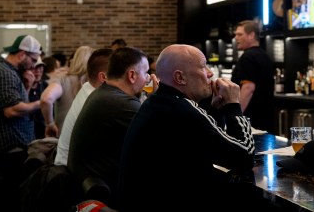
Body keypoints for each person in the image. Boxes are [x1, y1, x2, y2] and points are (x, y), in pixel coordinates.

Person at [117, 44, 255, 211]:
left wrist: (217, 111)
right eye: (203, 66)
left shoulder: (159, 102)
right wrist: (233, 105)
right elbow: (245, 156)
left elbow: (209, 147)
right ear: (180, 77)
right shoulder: (181, 109)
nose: (210, 73)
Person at [68, 46, 154, 208]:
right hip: (107, 193)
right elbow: (165, 134)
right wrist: (156, 97)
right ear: (132, 75)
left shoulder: (104, 93)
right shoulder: (121, 103)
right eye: (146, 73)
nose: (148, 79)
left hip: (89, 187)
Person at [0, 34, 42, 211]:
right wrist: (41, 103)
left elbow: (17, 103)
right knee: (10, 201)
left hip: (10, 148)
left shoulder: (9, 72)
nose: (34, 65)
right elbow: (11, 110)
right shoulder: (5, 74)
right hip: (9, 150)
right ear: (22, 54)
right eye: (33, 60)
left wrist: (27, 86)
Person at [54, 47, 114, 166]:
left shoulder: (87, 86)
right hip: (72, 171)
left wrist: (49, 123)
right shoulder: (97, 98)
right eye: (119, 73)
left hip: (63, 154)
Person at [231, 20, 275, 132]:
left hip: (252, 121)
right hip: (266, 118)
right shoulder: (265, 55)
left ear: (251, 35)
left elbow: (248, 88)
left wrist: (236, 116)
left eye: (240, 34)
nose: (236, 38)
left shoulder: (248, 57)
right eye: (235, 34)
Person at [41, 45, 94, 137]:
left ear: (74, 60)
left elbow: (46, 99)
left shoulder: (62, 80)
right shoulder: (98, 82)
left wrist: (49, 124)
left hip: (64, 139)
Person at [26, 57, 49, 139]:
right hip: (28, 132)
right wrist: (29, 86)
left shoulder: (45, 85)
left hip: (43, 131)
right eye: (35, 68)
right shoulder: (23, 87)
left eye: (40, 67)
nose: (38, 71)